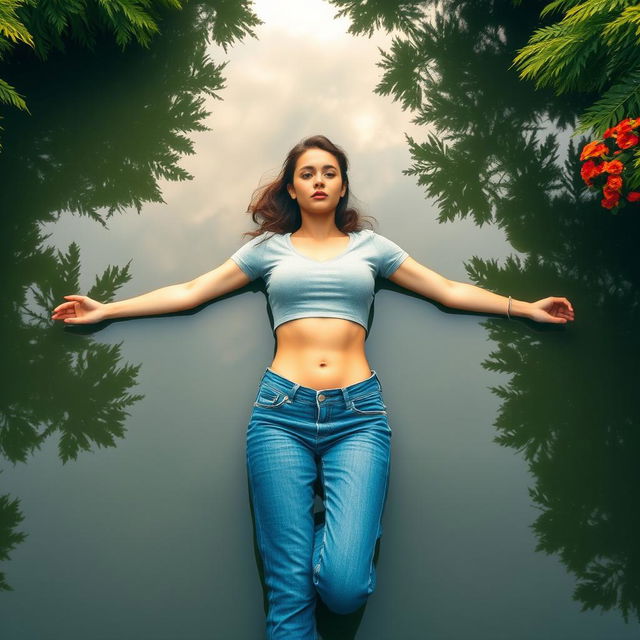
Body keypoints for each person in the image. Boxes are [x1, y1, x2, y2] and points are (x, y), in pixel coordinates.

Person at [51, 134, 575, 639]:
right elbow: (191, 293)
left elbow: (446, 290)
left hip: (359, 417)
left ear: (342, 186)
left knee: (343, 588)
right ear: (293, 188)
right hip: (281, 415)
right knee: (289, 595)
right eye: (308, 174)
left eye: (330, 172)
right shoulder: (268, 251)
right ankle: (296, 553)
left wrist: (523, 307)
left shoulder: (372, 248)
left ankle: (321, 541)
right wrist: (107, 309)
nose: (319, 180)